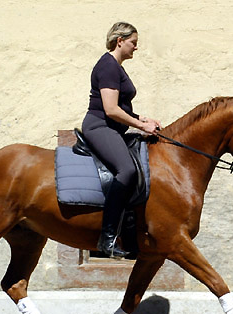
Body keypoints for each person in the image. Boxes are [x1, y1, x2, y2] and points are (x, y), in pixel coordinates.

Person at [81, 22, 161, 258]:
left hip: (114, 128)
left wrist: (144, 119)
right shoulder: (107, 66)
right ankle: (107, 238)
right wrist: (140, 125)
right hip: (99, 126)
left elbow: (122, 107)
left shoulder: (117, 67)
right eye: (133, 42)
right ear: (120, 41)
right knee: (126, 170)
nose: (136, 48)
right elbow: (111, 109)